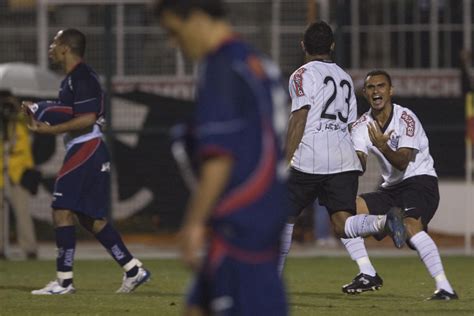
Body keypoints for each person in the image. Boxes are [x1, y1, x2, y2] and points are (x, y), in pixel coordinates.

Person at [155, 1, 290, 315]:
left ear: (198, 17)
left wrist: (193, 224)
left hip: (239, 228)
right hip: (261, 218)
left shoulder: (220, 65)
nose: (173, 43)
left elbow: (220, 157)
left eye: (174, 32)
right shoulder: (256, 61)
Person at [23, 28, 150, 295]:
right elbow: (71, 112)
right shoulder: (71, 79)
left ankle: (64, 282)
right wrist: (40, 109)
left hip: (86, 147)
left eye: (54, 43)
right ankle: (133, 269)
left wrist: (49, 129)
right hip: (88, 148)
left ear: (65, 48)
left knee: (60, 209)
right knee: (90, 217)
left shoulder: (82, 76)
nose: (50, 47)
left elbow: (87, 118)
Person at [278, 21, 407, 276]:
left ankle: (271, 280)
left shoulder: (301, 75)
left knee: (282, 217)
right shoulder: (345, 77)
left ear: (303, 45)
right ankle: (380, 227)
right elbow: (351, 125)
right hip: (342, 159)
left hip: (310, 158)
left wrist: (283, 162)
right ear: (332, 46)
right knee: (342, 223)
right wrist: (358, 155)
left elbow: (299, 119)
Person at [342, 69, 458, 301]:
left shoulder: (406, 118)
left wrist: (383, 147)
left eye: (381, 86)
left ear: (390, 90)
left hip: (419, 181)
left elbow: (403, 161)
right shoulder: (361, 126)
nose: (376, 91)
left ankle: (445, 288)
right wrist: (348, 159)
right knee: (344, 212)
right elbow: (360, 164)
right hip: (391, 188)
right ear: (365, 93)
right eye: (371, 87)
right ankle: (367, 272)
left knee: (411, 228)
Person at [0, 91, 39, 260]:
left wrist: (17, 107)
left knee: (22, 211)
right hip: (1, 171)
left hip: (19, 171)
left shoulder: (21, 120)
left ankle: (29, 249)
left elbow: (33, 121)